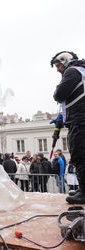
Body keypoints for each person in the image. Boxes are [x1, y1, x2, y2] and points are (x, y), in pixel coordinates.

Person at [51, 51, 85, 203]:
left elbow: (59, 95)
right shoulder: (81, 70)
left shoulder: (72, 71)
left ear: (65, 60)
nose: (58, 69)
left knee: (79, 156)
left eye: (58, 65)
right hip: (79, 119)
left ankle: (84, 193)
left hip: (79, 121)